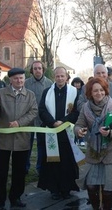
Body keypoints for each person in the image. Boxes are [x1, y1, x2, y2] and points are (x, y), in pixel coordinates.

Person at [0, 67, 38, 210]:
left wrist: (19, 123)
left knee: (19, 171)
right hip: (4, 139)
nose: (19, 80)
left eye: (21, 78)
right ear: (10, 80)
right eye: (16, 78)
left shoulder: (30, 95)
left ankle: (16, 197)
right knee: (1, 171)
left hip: (22, 140)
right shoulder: (1, 93)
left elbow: (34, 112)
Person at [74, 77, 112, 210]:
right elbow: (78, 124)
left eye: (101, 90)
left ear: (106, 91)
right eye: (95, 91)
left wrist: (110, 133)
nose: (99, 93)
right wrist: (79, 131)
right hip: (94, 152)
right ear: (90, 93)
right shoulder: (86, 108)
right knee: (91, 186)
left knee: (108, 190)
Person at [37, 67, 80, 200]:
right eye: (57, 76)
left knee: (67, 161)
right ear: (54, 77)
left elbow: (76, 111)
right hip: (52, 131)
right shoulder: (47, 92)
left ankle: (66, 188)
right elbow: (42, 110)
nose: (60, 78)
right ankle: (54, 189)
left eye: (62, 76)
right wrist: (53, 122)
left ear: (67, 77)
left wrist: (64, 121)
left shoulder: (74, 92)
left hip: (67, 132)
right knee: (53, 161)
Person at [24, 60, 53, 175]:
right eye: (35, 68)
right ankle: (25, 167)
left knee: (42, 145)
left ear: (43, 69)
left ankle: (40, 168)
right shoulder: (26, 83)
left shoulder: (49, 83)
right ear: (32, 70)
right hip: (29, 119)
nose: (37, 71)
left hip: (43, 120)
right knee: (27, 144)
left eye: (39, 68)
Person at [71, 77, 86, 146]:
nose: (77, 85)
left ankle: (81, 140)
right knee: (74, 126)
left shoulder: (83, 91)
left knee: (81, 125)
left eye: (78, 83)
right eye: (75, 83)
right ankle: (74, 140)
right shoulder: (71, 91)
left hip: (81, 111)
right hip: (73, 111)